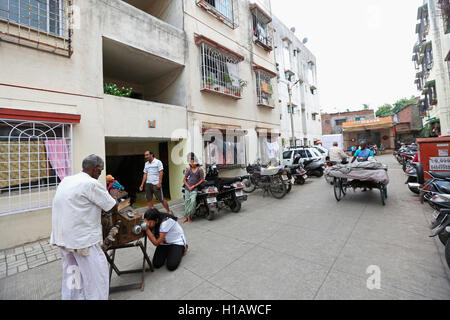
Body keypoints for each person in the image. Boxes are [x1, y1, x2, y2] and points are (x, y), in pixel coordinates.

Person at [50, 154, 117, 300]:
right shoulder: (90, 183)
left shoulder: (66, 180)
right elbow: (112, 206)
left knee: (72, 275)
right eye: (100, 171)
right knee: (97, 277)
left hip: (63, 238)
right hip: (83, 241)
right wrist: (115, 196)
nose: (100, 174)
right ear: (94, 169)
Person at [182, 153, 206, 224]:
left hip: (194, 188)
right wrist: (188, 186)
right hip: (187, 188)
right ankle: (188, 218)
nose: (191, 163)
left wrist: (194, 186)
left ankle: (188, 215)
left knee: (193, 202)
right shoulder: (189, 169)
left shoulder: (200, 170)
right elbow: (184, 179)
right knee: (187, 203)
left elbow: (202, 179)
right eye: (190, 162)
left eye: (192, 162)